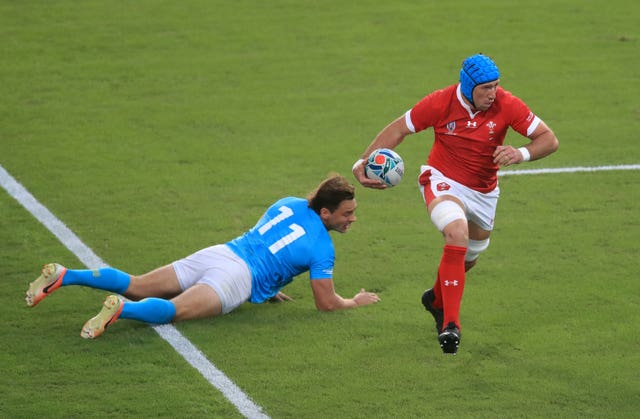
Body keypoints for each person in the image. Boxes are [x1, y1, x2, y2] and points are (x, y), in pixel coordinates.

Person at [352, 54, 559, 354]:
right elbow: (399, 129)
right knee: (456, 233)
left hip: (484, 192)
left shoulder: (507, 103)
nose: (493, 93)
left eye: (496, 86)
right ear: (469, 86)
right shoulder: (440, 102)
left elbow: (548, 139)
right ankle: (450, 325)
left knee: (469, 258)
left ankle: (435, 299)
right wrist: (361, 161)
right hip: (442, 179)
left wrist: (521, 153)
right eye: (486, 88)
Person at [25, 175, 380, 339]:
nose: (352, 219)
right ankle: (122, 311)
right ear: (325, 214)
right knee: (175, 311)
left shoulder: (287, 203)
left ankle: (65, 274)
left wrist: (272, 285)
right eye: (347, 213)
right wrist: (355, 302)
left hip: (221, 252)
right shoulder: (323, 248)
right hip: (236, 280)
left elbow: (269, 244)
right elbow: (326, 303)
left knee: (137, 283)